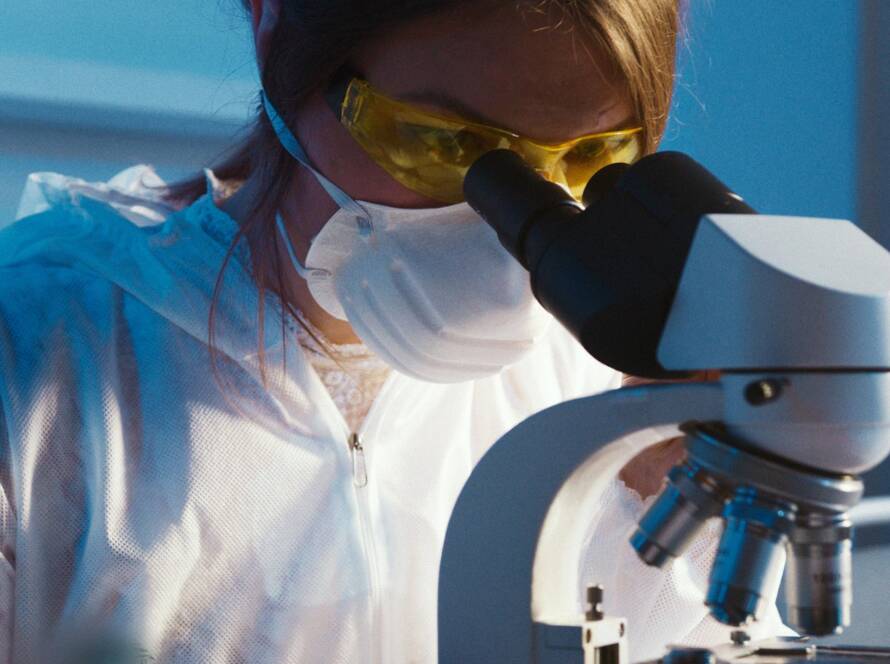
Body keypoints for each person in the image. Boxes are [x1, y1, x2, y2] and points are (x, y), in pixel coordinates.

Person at [0, 1, 789, 662]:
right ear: (275, 34)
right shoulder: (41, 351)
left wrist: (647, 474)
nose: (508, 227)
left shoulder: (593, 379)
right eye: (443, 144)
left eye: (591, 157)